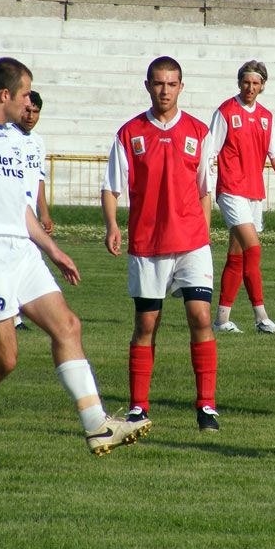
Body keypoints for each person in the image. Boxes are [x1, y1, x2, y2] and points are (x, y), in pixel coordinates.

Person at [0, 57, 150, 468]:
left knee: (68, 325)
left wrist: (53, 251)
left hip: (22, 251)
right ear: (5, 94)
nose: (29, 103)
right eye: (24, 95)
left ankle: (96, 424)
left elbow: (20, 208)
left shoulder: (14, 139)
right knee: (4, 357)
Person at [102, 56, 220, 432]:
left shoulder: (199, 132)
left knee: (201, 317)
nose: (164, 90)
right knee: (146, 324)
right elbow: (111, 188)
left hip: (191, 243)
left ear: (181, 87)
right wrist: (112, 225)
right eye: (158, 83)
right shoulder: (130, 133)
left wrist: (202, 236)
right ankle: (138, 407)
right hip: (147, 243)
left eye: (171, 84)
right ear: (148, 86)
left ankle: (206, 406)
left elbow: (205, 191)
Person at [209, 60, 275, 335]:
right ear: (239, 83)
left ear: (262, 86)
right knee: (253, 249)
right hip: (231, 190)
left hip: (253, 193)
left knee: (236, 256)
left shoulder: (265, 117)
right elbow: (209, 152)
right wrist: (201, 186)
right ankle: (261, 318)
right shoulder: (226, 111)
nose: (250, 87)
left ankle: (221, 320)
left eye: (255, 83)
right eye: (246, 82)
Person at [13, 90, 54, 332]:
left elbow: (39, 178)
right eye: (27, 110)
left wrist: (44, 212)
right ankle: (14, 317)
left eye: (35, 112)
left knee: (24, 263)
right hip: (12, 212)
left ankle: (18, 311)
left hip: (31, 215)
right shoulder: (8, 137)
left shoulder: (38, 142)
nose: (30, 116)